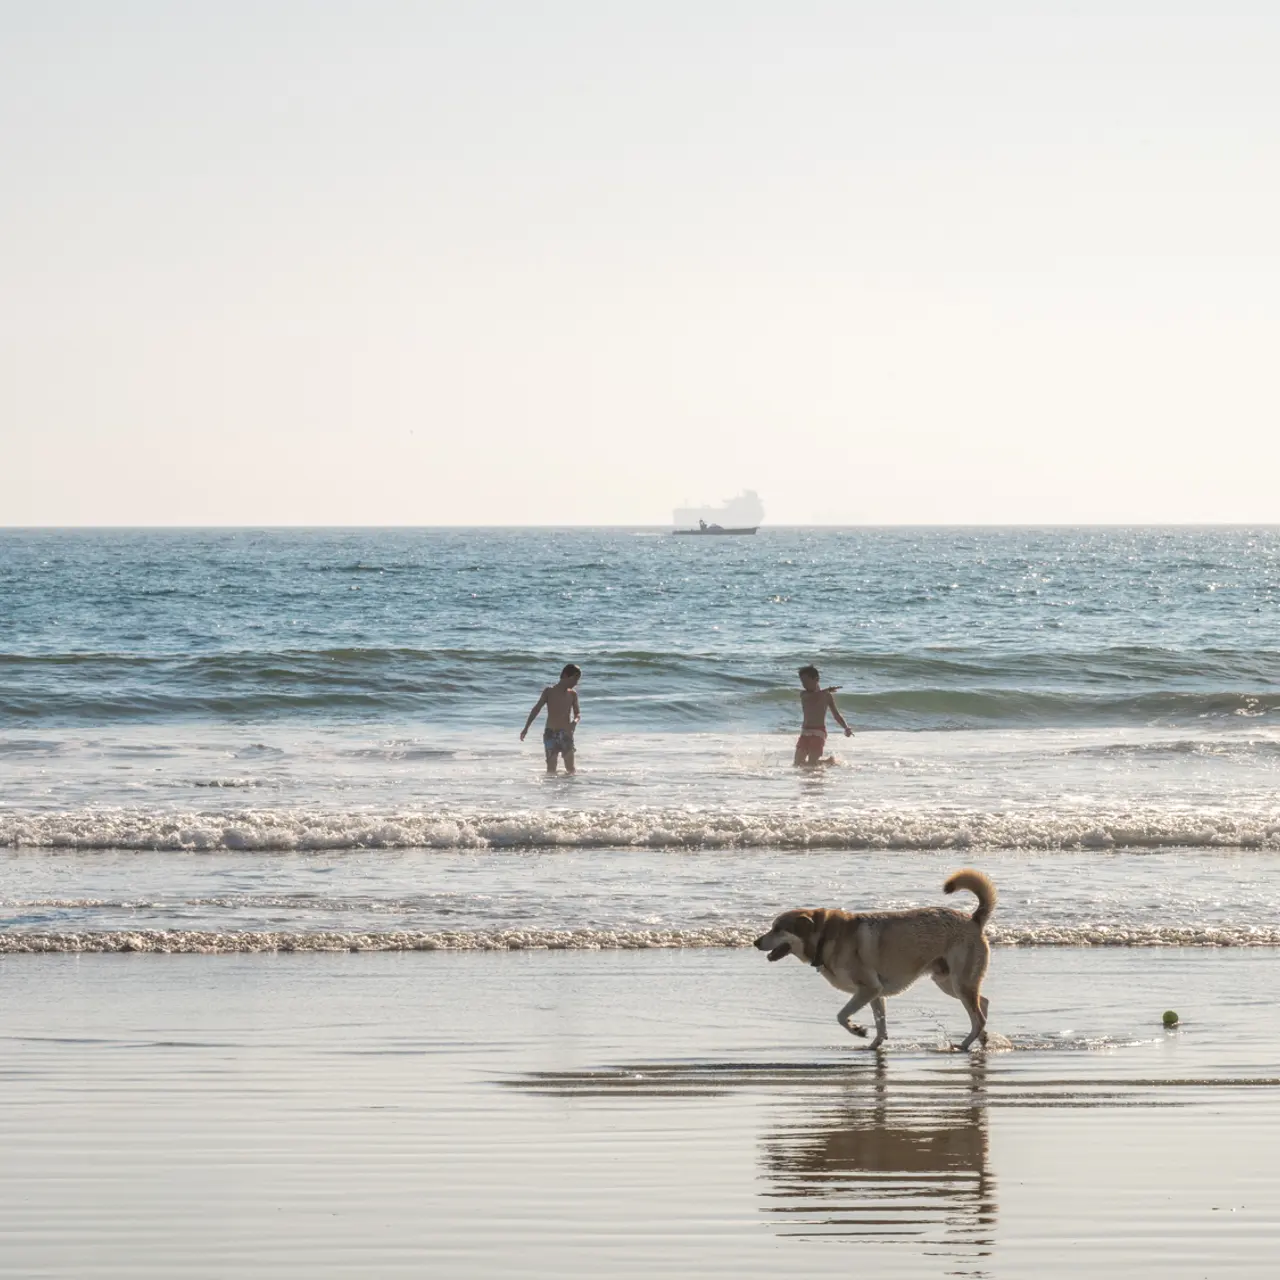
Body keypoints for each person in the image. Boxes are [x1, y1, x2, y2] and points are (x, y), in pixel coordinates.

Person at [520, 663, 582, 774]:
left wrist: (574, 723)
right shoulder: (549, 691)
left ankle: (570, 789)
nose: (576, 683)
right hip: (550, 734)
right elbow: (536, 709)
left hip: (566, 734)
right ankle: (551, 790)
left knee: (570, 769)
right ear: (565, 675)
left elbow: (577, 714)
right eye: (575, 679)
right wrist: (526, 728)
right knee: (551, 770)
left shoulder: (573, 695)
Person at [795, 664, 852, 766]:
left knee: (812, 765)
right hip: (804, 732)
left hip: (818, 732)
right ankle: (829, 761)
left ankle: (829, 762)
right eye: (802, 682)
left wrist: (846, 727)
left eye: (806, 682)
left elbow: (836, 714)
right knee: (797, 764)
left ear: (816, 679)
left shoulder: (826, 696)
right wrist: (826, 690)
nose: (804, 685)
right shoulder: (804, 694)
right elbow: (813, 697)